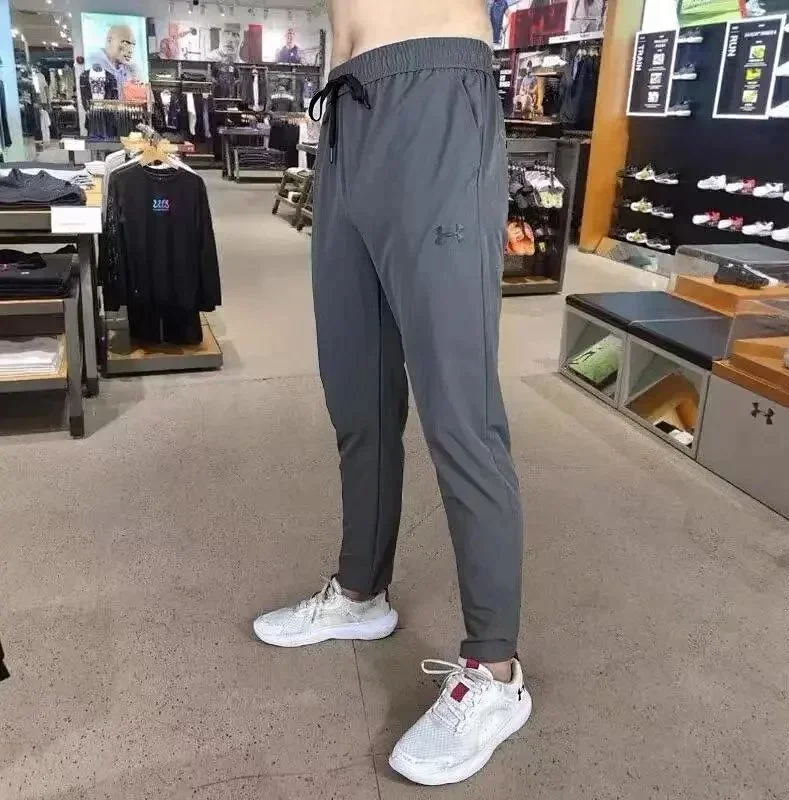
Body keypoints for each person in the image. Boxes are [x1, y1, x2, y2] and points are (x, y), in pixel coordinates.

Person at [253, 0, 529, 787]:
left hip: (436, 89)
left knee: (460, 412)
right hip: (347, 108)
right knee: (357, 393)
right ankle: (360, 592)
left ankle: (496, 673)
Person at [88, 24, 140, 88]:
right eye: (125, 43)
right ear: (109, 41)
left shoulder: (128, 68)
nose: (130, 50)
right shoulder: (93, 65)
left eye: (133, 44)